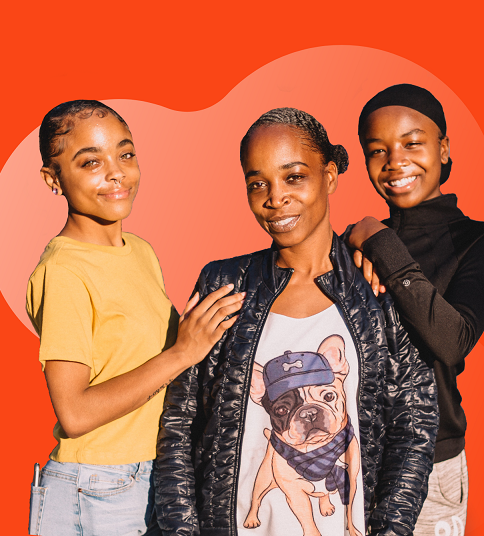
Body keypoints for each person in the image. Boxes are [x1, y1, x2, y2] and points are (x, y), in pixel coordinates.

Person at [155, 108, 438, 536]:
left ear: (328, 176)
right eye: (257, 184)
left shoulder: (376, 288)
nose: (275, 198)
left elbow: (413, 426)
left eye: (294, 177)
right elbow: (178, 423)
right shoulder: (224, 283)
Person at [25, 100, 244, 536]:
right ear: (54, 179)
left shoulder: (140, 251)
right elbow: (74, 412)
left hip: (153, 475)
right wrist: (182, 352)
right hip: (96, 486)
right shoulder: (64, 270)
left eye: (125, 154)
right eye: (90, 162)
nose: (116, 172)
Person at [347, 83, 484, 536]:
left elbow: (451, 340)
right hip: (348, 460)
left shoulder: (475, 242)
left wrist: (380, 240)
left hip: (431, 462)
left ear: (444, 148)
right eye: (377, 150)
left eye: (412, 143)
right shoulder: (352, 245)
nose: (394, 161)